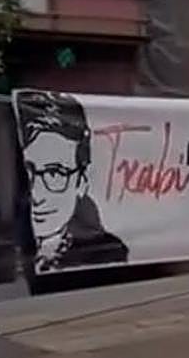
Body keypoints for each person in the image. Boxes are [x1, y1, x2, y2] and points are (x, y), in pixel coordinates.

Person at [16, 90, 129, 273]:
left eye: (54, 173)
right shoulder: (27, 223)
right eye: (30, 170)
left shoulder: (106, 249)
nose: (38, 195)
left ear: (81, 181)